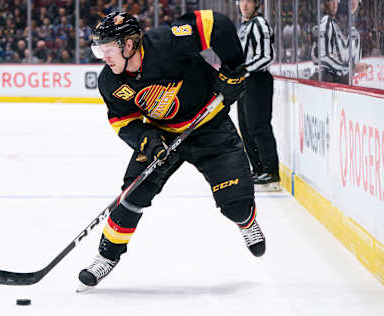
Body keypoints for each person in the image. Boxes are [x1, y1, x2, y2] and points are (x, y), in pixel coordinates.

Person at [77, 11, 266, 291]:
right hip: (162, 135)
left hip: (210, 126)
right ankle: (106, 256)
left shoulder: (167, 42)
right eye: (99, 49)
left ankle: (247, 222)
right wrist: (148, 142)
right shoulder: (110, 82)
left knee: (236, 206)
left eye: (108, 48)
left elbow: (217, 24)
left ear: (129, 45)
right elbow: (123, 122)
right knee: (132, 196)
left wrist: (234, 70)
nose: (103, 56)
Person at [236, 0, 280, 192]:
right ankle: (259, 169)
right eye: (242, 1)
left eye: (248, 2)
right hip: (245, 81)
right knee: (245, 127)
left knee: (258, 126)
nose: (244, 5)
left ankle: (271, 172)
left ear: (257, 4)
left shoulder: (259, 24)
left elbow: (267, 55)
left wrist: (245, 70)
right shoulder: (244, 26)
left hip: (258, 80)